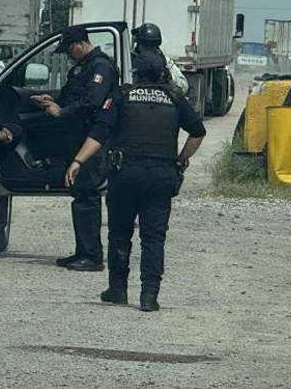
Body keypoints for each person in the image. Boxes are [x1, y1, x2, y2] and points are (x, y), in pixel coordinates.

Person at [65, 52, 206, 312]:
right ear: (162, 73)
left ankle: (118, 289)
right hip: (161, 176)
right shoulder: (175, 99)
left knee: (120, 232)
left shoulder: (122, 96)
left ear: (137, 74)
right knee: (154, 237)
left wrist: (78, 161)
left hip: (126, 175)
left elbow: (100, 132)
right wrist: (180, 159)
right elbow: (198, 132)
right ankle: (149, 295)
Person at [30, 25, 117, 272]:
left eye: (70, 50)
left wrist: (62, 111)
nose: (69, 55)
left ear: (80, 43)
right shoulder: (84, 67)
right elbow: (75, 97)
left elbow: (92, 102)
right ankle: (83, 251)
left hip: (91, 139)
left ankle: (92, 256)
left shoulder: (100, 67)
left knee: (87, 196)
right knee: (80, 195)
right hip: (76, 137)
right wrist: (52, 101)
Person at [132, 23, 189, 96]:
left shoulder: (164, 61)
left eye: (152, 46)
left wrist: (169, 79)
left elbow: (183, 86)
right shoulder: (128, 60)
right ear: (139, 45)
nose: (149, 50)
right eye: (145, 46)